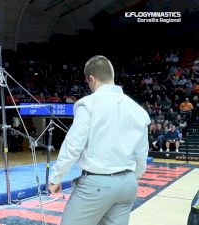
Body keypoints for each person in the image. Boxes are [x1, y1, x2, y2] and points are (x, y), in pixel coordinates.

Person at [49, 55, 150, 225]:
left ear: (91, 79)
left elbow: (73, 145)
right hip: (128, 184)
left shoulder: (88, 104)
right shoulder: (137, 109)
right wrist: (136, 175)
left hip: (97, 184)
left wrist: (56, 177)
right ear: (112, 76)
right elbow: (142, 151)